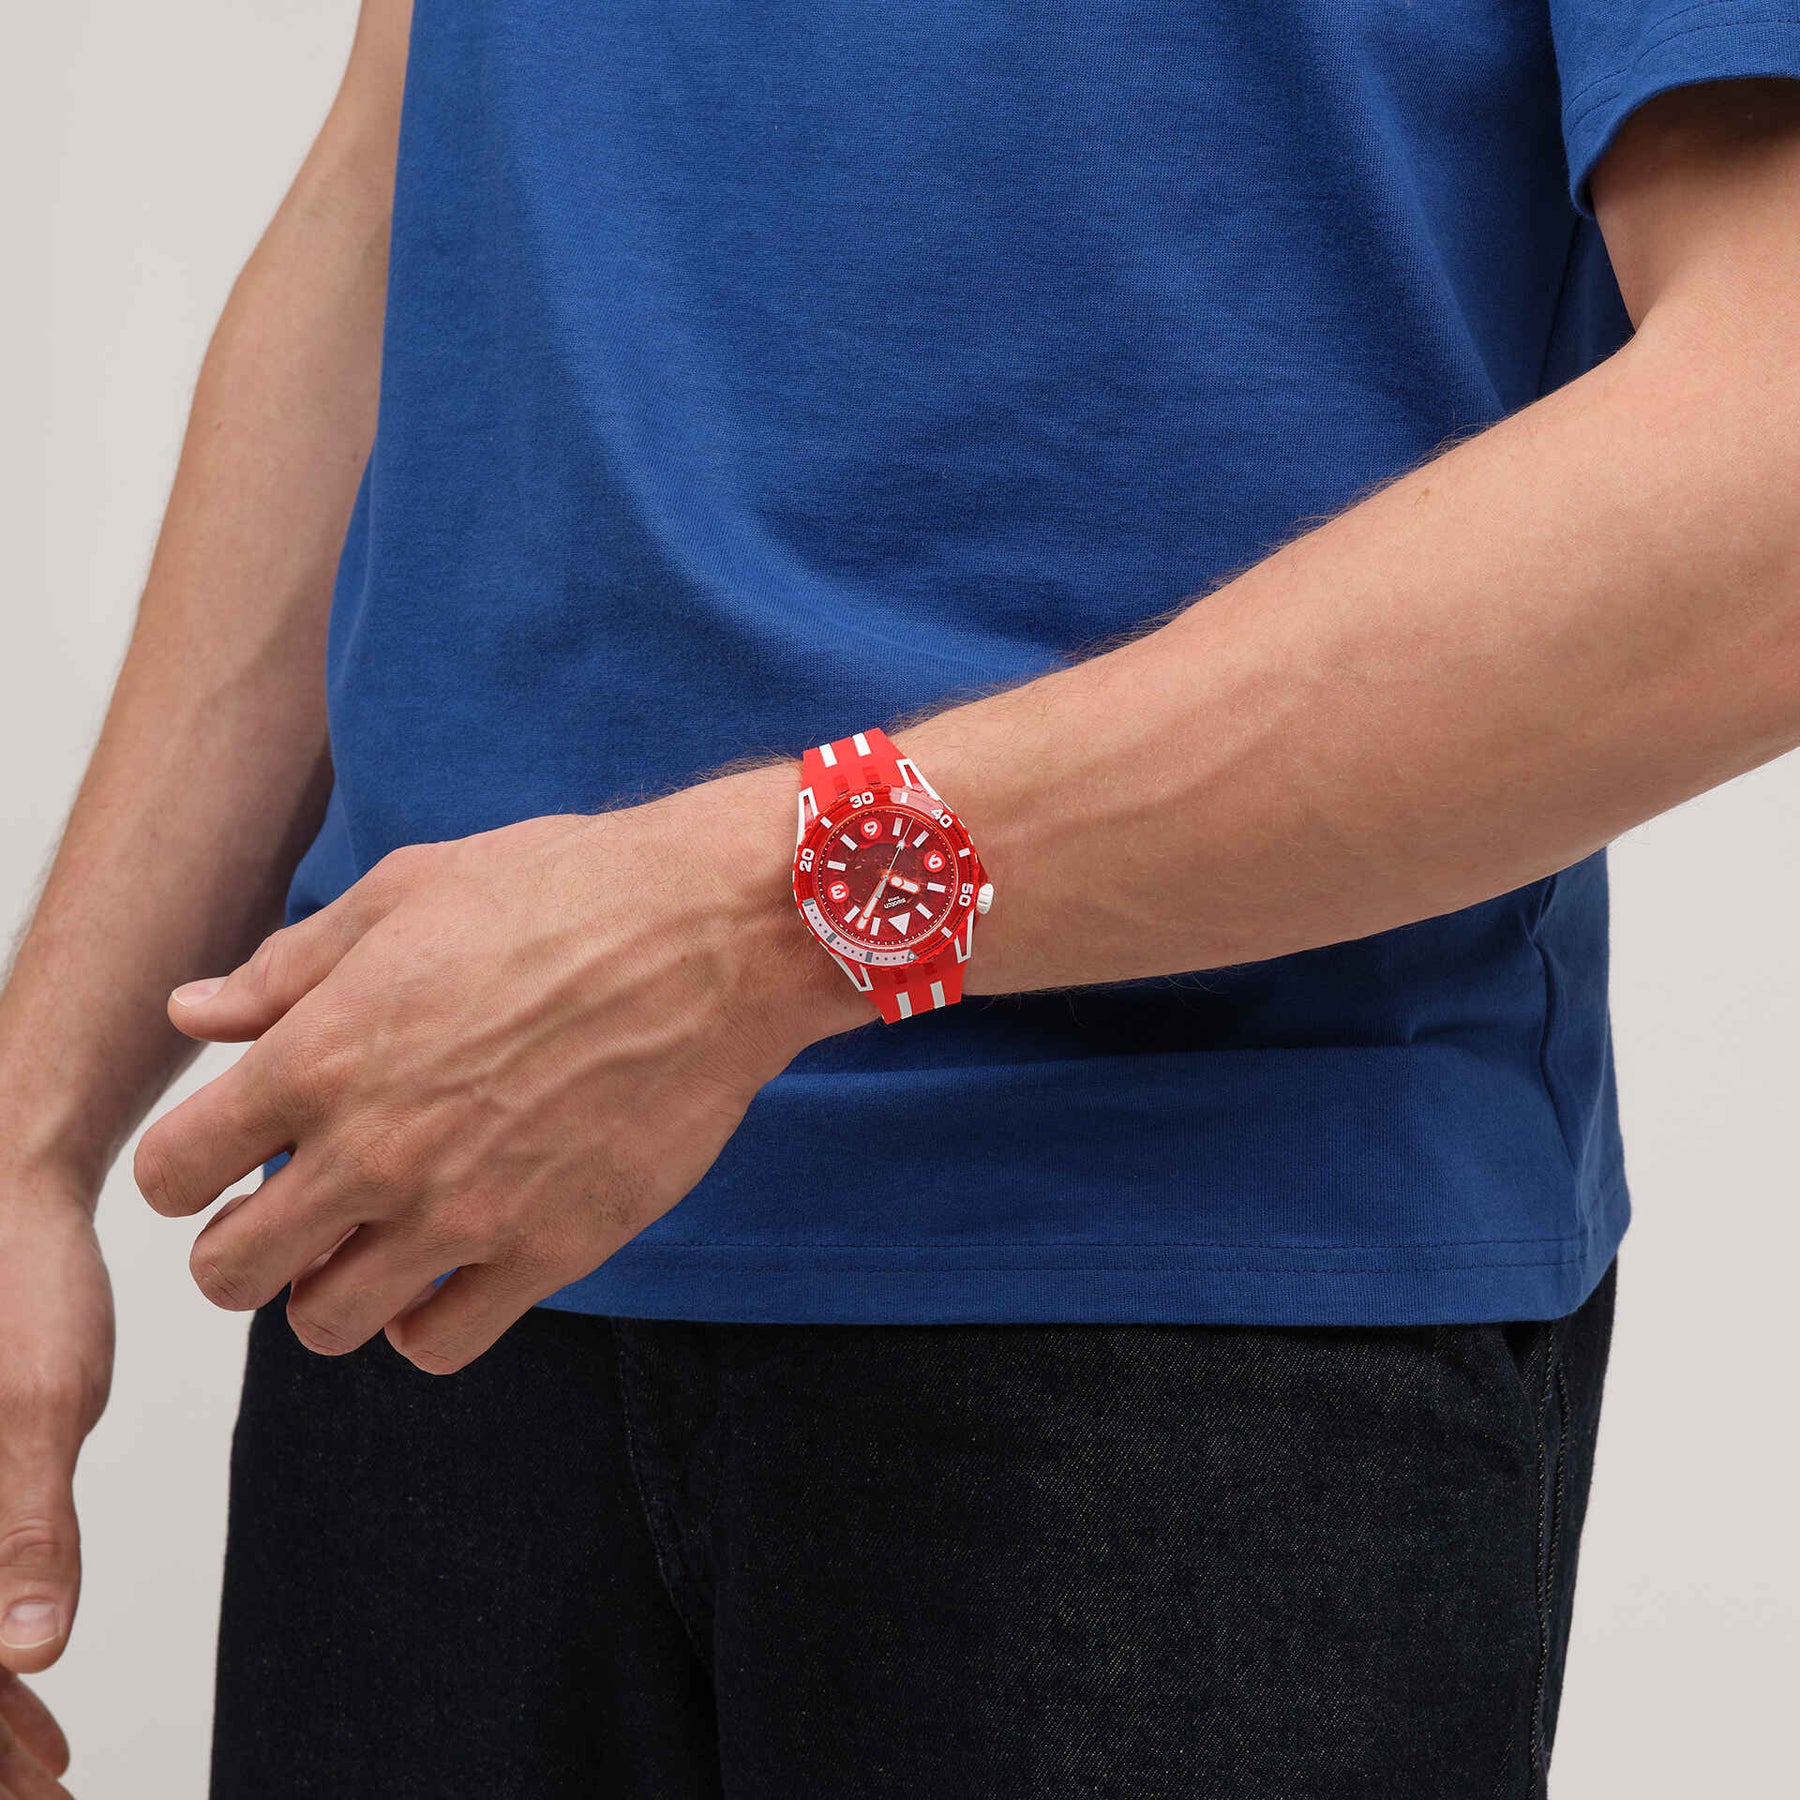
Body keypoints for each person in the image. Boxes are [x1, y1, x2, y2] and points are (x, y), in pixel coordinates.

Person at [2, 0, 1798, 1793]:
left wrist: (752, 926)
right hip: (416, 1235)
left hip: (1192, 1322)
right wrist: (28, 1148)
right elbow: (398, 187)